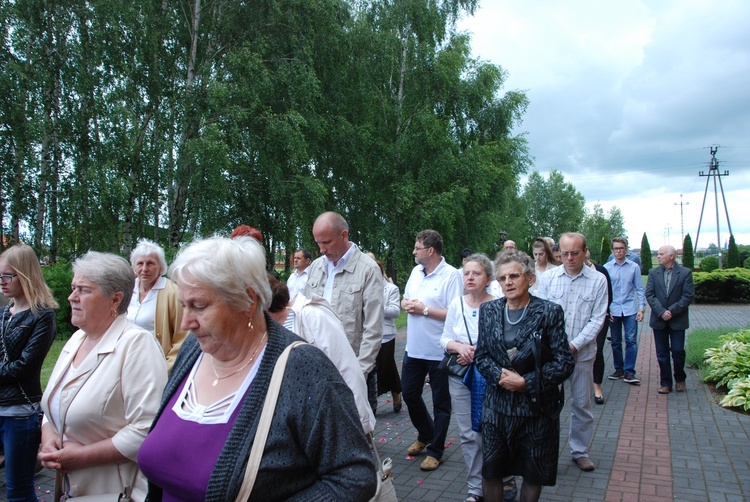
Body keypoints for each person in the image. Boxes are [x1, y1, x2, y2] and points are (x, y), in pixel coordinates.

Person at [138, 236, 376, 500]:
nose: (185, 323)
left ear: (248, 300)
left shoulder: (303, 369)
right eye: (184, 305)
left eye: (199, 306)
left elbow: (354, 475)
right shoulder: (193, 351)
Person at [39, 251, 167, 500]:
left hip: (114, 490)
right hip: (70, 489)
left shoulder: (137, 345)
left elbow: (147, 428)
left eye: (84, 290)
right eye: (73, 288)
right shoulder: (77, 339)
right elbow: (56, 402)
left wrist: (82, 457)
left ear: (115, 299)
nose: (71, 297)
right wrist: (49, 437)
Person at [476, 251, 575, 502]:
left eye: (514, 276)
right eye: (501, 278)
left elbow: (564, 361)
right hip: (497, 408)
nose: (507, 282)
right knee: (491, 471)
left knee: (533, 474)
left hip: (535, 411)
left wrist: (525, 383)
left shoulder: (549, 312)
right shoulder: (488, 311)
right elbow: (482, 356)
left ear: (529, 279)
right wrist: (500, 376)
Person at [440, 253, 516, 502]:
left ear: (488, 278)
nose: (470, 277)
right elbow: (444, 338)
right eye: (467, 273)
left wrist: (477, 353)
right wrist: (459, 347)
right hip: (461, 378)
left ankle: (503, 478)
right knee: (468, 434)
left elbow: (508, 345)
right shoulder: (456, 304)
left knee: (491, 432)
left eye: (476, 273)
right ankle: (476, 489)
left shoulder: (499, 304)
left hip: (490, 378)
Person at [266, 274, 375, 434]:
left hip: (328, 420)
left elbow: (345, 368)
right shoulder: (268, 329)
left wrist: (358, 423)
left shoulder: (313, 316)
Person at [536, 232, 607, 472]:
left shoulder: (598, 281)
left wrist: (573, 346)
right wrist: (557, 347)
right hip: (552, 356)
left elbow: (597, 320)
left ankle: (580, 451)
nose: (569, 258)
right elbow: (540, 314)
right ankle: (544, 449)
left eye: (574, 253)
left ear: (585, 252)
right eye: (564, 253)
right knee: (546, 404)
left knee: (581, 404)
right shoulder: (549, 278)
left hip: (582, 355)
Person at [303, 211, 383, 415]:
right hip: (317, 366)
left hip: (351, 367)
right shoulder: (316, 267)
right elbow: (304, 315)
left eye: (327, 242)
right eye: (318, 242)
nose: (321, 249)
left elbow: (373, 329)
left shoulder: (368, 269)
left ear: (344, 235)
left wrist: (359, 372)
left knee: (357, 430)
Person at [401, 229, 462, 471]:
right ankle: (425, 433)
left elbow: (455, 313)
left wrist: (425, 310)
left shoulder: (451, 275)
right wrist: (407, 304)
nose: (414, 251)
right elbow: (406, 298)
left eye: (417, 248)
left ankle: (436, 449)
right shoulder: (416, 272)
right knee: (409, 394)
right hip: (413, 349)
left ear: (431, 251)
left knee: (441, 403)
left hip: (439, 351)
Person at [0, 244, 57, 501]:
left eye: (7, 276)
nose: (1, 282)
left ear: (25, 275)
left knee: (17, 489)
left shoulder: (42, 315)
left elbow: (25, 366)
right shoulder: (3, 314)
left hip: (20, 413)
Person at [127, 239, 187, 371]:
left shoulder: (173, 293)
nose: (144, 269)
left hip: (154, 365)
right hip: (126, 361)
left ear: (161, 267)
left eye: (150, 263)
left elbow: (182, 338)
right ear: (133, 267)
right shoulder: (126, 290)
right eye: (140, 263)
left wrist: (166, 369)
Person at [645, 245, 695, 394]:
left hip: (677, 320)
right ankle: (665, 383)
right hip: (659, 320)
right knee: (662, 353)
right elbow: (650, 294)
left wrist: (671, 312)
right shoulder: (653, 273)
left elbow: (687, 296)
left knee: (678, 350)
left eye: (661, 254)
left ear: (671, 256)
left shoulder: (685, 273)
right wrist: (661, 312)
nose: (658, 256)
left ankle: (680, 378)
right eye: (658, 253)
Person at [604, 237, 646, 384]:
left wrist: (642, 308)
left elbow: (640, 289)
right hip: (613, 309)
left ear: (626, 250)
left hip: (630, 308)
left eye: (621, 248)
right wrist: (607, 310)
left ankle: (629, 372)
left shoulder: (633, 267)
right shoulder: (607, 268)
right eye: (616, 248)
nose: (619, 251)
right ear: (612, 250)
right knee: (615, 341)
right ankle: (619, 369)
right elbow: (604, 291)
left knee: (631, 340)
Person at [375, 259, 403, 413]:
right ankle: (371, 401)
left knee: (386, 367)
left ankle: (396, 392)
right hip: (367, 333)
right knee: (371, 368)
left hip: (386, 334)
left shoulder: (391, 289)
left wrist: (376, 306)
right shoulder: (363, 287)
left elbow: (395, 311)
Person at [587, 254, 612, 405]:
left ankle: (597, 387)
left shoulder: (601, 271)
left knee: (598, 350)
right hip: (579, 319)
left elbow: (609, 296)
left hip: (600, 317)